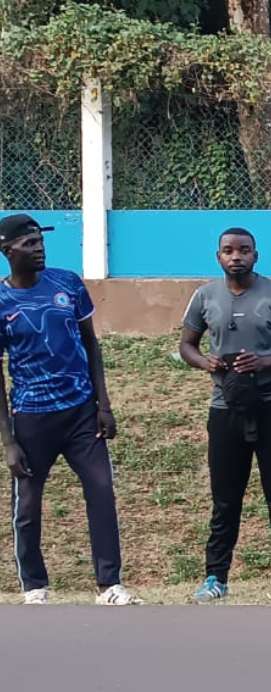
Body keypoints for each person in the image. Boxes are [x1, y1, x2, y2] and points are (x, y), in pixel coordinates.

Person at [0, 213, 137, 605]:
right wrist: (8, 441)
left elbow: (91, 344)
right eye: (29, 243)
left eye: (40, 241)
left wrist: (103, 405)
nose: (39, 248)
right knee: (27, 504)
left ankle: (109, 585)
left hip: (80, 412)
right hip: (31, 417)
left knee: (102, 490)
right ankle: (34, 587)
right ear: (7, 251)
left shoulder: (68, 283)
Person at [180, 227, 271, 605]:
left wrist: (266, 362)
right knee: (225, 498)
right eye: (228, 250)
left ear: (256, 255)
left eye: (244, 250)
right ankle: (215, 577)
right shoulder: (204, 296)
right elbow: (187, 344)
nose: (236, 256)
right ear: (218, 257)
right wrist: (204, 362)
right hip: (225, 408)